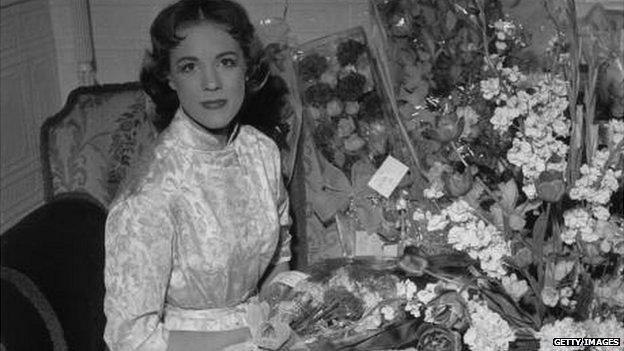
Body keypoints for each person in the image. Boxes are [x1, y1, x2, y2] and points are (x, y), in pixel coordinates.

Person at [103, 0, 292, 349]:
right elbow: (130, 339)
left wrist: (276, 321)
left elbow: (280, 254)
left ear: (247, 69)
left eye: (226, 62)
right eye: (190, 67)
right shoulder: (150, 189)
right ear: (169, 78)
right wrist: (247, 337)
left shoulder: (261, 151)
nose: (211, 83)